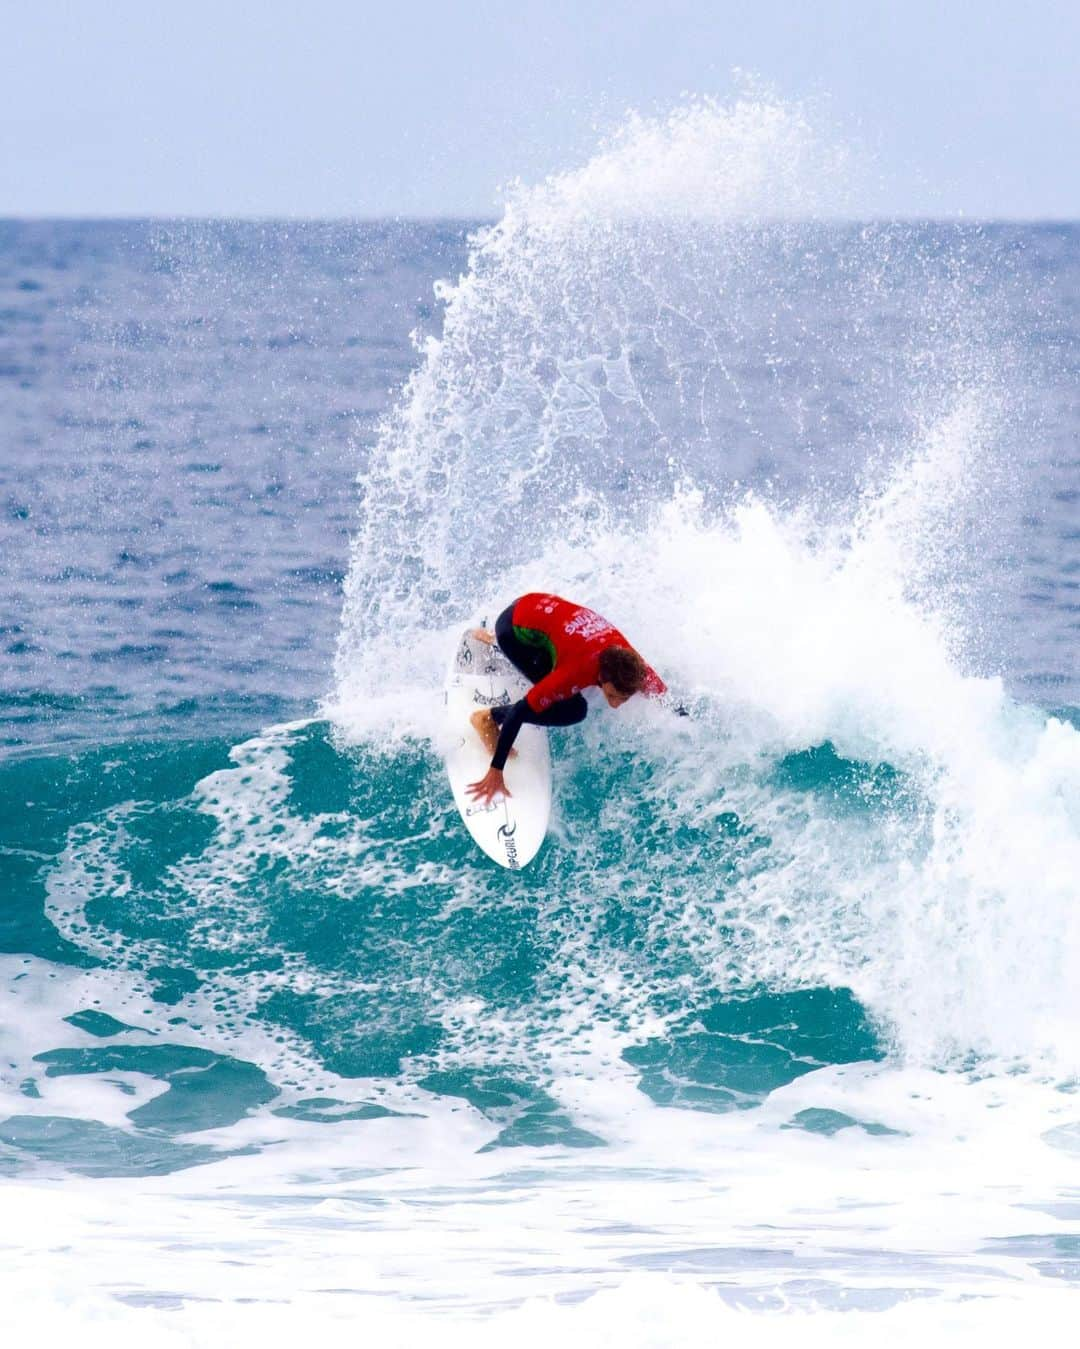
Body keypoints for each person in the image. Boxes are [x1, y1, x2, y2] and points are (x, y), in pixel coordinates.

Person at [466, 593, 666, 806]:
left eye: (624, 699)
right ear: (601, 676)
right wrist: (496, 770)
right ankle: (486, 717)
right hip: (514, 629)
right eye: (612, 696)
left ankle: (492, 640)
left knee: (555, 653)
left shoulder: (632, 664)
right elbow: (519, 711)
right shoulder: (575, 672)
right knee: (574, 709)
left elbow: (663, 695)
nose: (616, 705)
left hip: (535, 608)